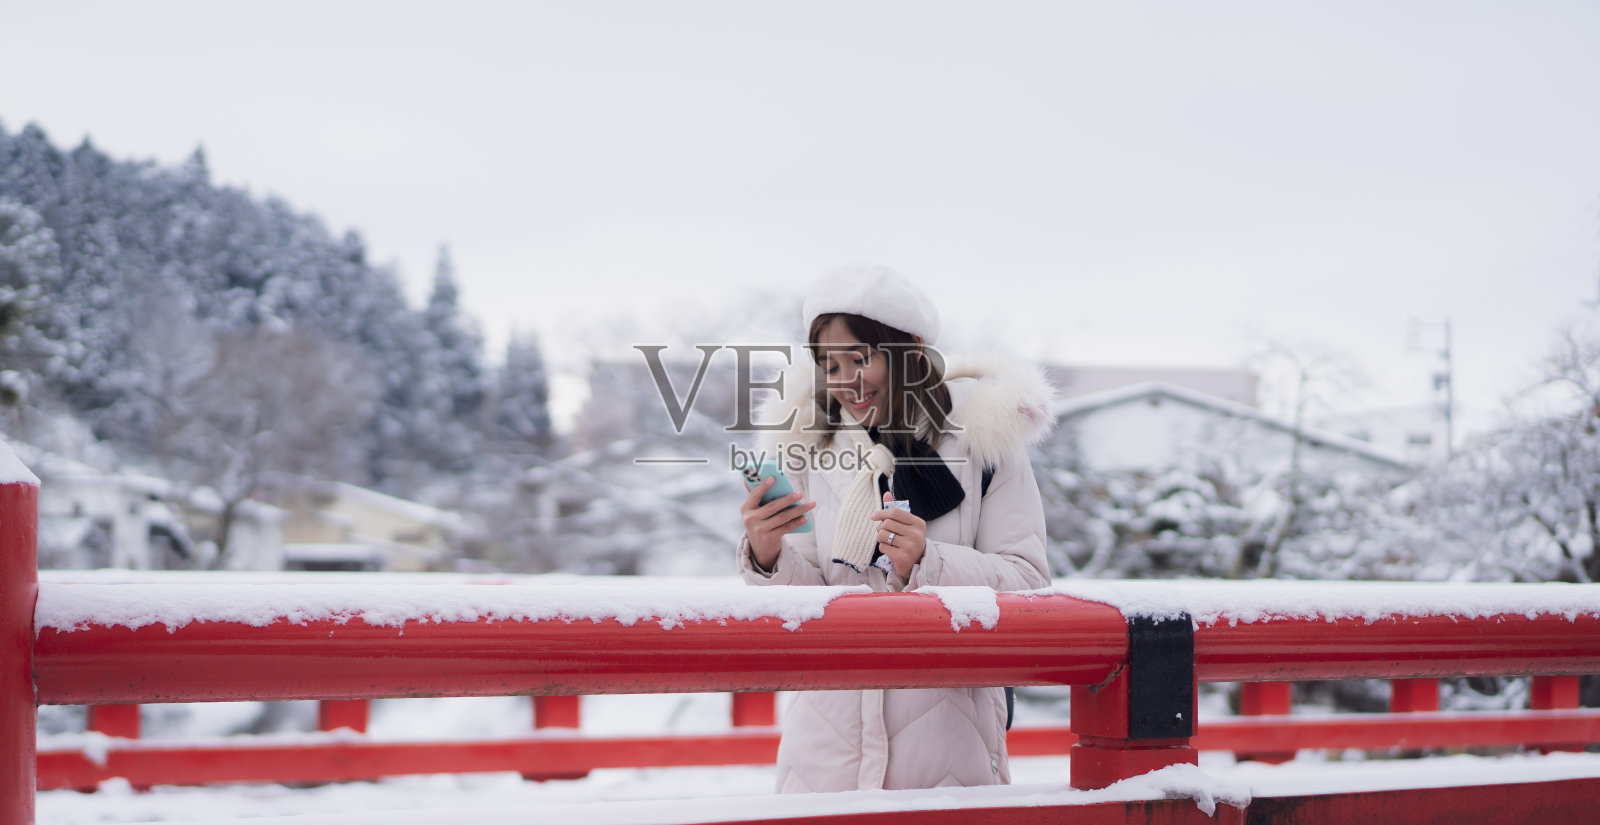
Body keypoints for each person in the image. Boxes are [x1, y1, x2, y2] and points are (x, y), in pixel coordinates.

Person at [736, 263, 1054, 793]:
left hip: (946, 744)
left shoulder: (982, 443)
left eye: (860, 359)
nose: (845, 383)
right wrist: (769, 557)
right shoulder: (810, 445)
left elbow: (1028, 583)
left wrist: (928, 563)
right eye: (829, 365)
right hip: (824, 746)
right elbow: (807, 603)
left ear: (907, 351)